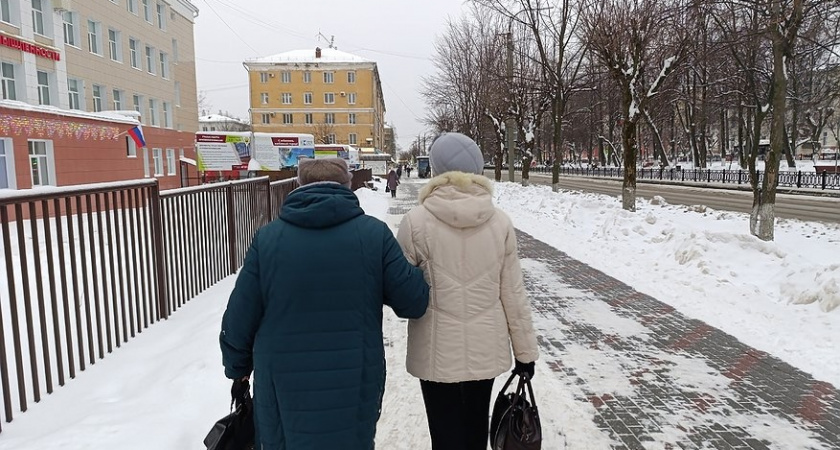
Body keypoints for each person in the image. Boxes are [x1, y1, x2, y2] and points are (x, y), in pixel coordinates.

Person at [220, 157, 430, 449]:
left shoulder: (268, 240)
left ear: (298, 186)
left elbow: (239, 317)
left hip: (281, 383)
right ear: (348, 186)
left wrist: (237, 368)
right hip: (353, 379)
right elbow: (413, 302)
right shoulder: (373, 236)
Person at [396, 132, 539, 450]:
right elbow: (513, 292)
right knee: (475, 430)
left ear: (436, 169)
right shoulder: (500, 222)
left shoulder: (415, 222)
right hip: (484, 346)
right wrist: (525, 353)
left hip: (435, 348)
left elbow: (401, 290)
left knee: (443, 434)